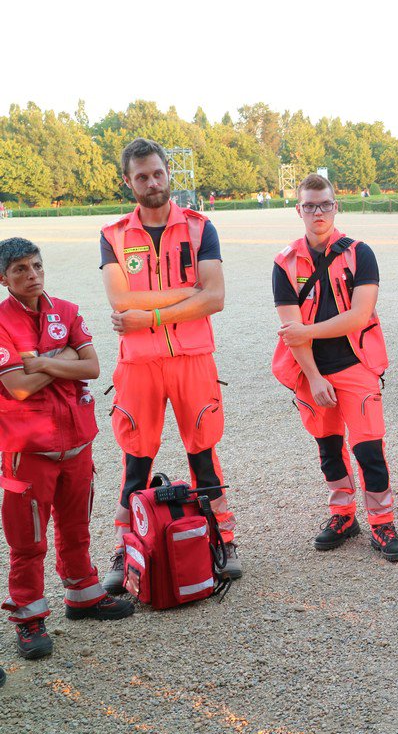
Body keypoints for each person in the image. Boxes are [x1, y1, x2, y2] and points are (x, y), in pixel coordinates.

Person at [99, 138, 241, 594]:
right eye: (142, 176)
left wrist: (151, 316)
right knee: (135, 458)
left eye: (158, 173)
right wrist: (189, 294)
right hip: (139, 364)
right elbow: (120, 300)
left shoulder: (200, 227)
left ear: (167, 173)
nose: (153, 182)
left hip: (192, 359)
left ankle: (224, 540)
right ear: (129, 181)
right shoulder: (113, 234)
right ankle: (126, 548)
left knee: (204, 453)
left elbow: (215, 298)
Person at [0, 238, 134, 660]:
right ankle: (28, 616)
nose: (32, 275)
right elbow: (17, 388)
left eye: (36, 265)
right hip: (29, 449)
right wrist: (64, 357)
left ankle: (82, 595)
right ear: (3, 278)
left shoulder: (68, 311)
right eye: (20, 269)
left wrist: (40, 360)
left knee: (76, 526)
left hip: (77, 442)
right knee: (29, 538)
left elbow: (92, 367)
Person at [272, 174, 398, 561]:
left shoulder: (360, 253)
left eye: (325, 204)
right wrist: (313, 378)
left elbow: (359, 315)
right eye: (310, 205)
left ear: (337, 206)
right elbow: (289, 332)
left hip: (356, 364)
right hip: (310, 371)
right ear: (299, 210)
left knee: (369, 449)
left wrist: (308, 330)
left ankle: (382, 523)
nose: (318, 212)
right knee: (329, 448)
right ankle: (343, 515)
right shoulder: (284, 262)